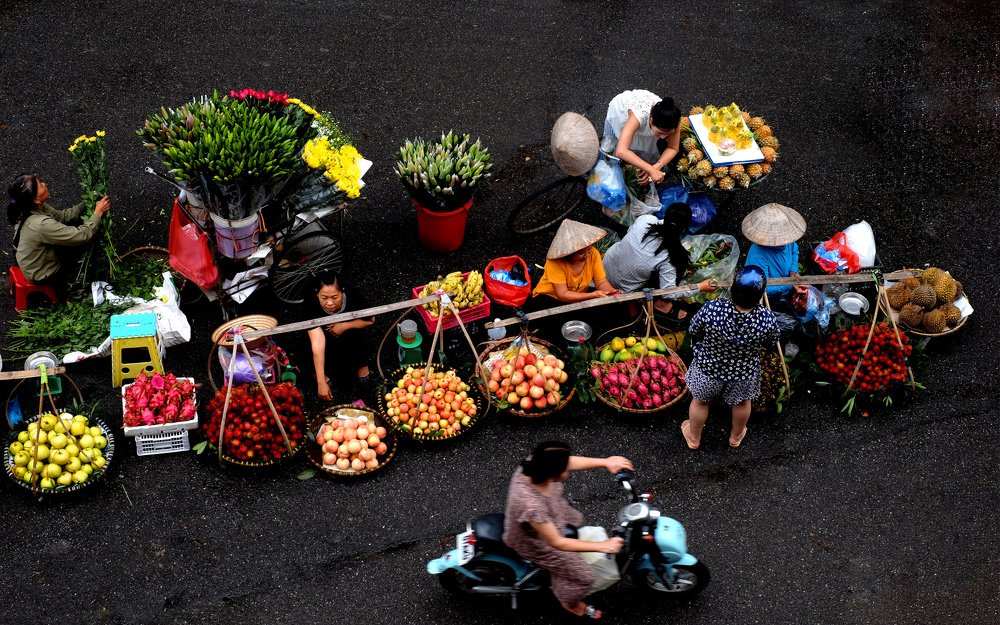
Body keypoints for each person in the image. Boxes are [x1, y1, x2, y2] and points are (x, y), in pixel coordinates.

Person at [504, 441, 633, 620]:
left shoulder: (537, 463)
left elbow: (568, 461)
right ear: (551, 473)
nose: (567, 471)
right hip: (536, 544)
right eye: (563, 469)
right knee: (586, 577)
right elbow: (557, 542)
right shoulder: (531, 506)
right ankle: (569, 602)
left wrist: (605, 462)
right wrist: (604, 546)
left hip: (550, 521)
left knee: (575, 531)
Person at [680, 265, 779, 450]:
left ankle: (693, 438)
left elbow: (693, 329)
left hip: (708, 368)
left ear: (733, 289)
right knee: (742, 402)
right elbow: (772, 343)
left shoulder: (713, 309)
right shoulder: (766, 318)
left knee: (701, 400)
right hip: (744, 372)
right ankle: (735, 437)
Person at [602, 203, 717, 317]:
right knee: (680, 261)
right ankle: (660, 304)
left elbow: (630, 232)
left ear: (665, 215)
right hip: (623, 288)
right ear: (684, 228)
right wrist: (700, 287)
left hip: (604, 265)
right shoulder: (671, 255)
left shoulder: (646, 220)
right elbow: (668, 293)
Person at [7, 173, 110, 290]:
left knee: (76, 226)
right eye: (40, 185)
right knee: (84, 244)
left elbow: (63, 217)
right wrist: (97, 213)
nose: (44, 184)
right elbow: (81, 236)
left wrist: (88, 201)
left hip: (31, 260)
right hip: (41, 274)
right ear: (36, 199)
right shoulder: (41, 224)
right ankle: (72, 286)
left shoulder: (32, 207)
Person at [523, 219, 618, 337]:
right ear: (568, 253)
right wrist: (592, 295)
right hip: (550, 298)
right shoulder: (555, 262)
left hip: (577, 295)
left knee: (603, 317)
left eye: (589, 249)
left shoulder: (593, 254)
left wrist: (610, 292)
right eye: (581, 253)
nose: (587, 254)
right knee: (558, 331)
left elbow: (601, 282)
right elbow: (562, 294)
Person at [304, 272, 375, 402]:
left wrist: (345, 325)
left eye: (335, 297)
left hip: (349, 331)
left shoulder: (353, 295)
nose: (330, 303)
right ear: (316, 293)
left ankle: (361, 368)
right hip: (324, 334)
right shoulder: (310, 303)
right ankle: (321, 376)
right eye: (324, 298)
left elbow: (371, 320)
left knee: (356, 339)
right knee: (307, 348)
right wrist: (321, 383)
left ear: (342, 292)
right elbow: (317, 342)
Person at [600, 90, 682, 185]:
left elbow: (673, 148)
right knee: (611, 147)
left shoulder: (674, 121)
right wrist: (650, 168)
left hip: (647, 121)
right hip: (622, 114)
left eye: (668, 133)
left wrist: (656, 166)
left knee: (644, 153)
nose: (663, 137)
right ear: (651, 120)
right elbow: (621, 151)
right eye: (660, 132)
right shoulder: (639, 116)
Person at [742, 202, 809, 301]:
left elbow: (794, 250)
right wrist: (790, 285)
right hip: (773, 293)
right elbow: (764, 287)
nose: (785, 244)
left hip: (787, 280)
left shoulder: (787, 239)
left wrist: (793, 271)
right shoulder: (757, 256)